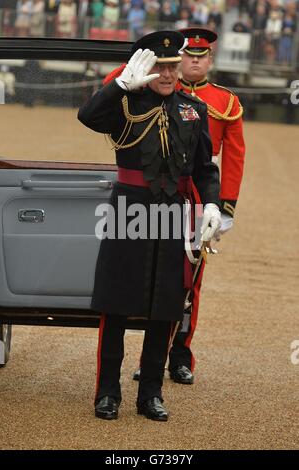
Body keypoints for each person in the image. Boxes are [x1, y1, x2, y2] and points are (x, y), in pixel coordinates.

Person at [78, 30, 221, 421]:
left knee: (165, 306)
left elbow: (205, 168)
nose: (168, 74)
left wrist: (212, 204)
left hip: (173, 213)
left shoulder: (194, 110)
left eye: (172, 67)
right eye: (160, 66)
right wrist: (119, 86)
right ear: (144, 67)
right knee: (116, 304)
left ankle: (151, 394)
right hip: (129, 211)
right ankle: (107, 393)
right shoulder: (124, 102)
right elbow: (87, 117)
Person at [133, 28, 245, 385]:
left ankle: (179, 355)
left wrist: (225, 207)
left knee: (189, 282)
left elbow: (233, 157)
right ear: (179, 59)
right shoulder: (162, 89)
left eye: (202, 55)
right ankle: (150, 356)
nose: (195, 60)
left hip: (200, 195)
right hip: (163, 187)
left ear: (210, 59)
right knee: (150, 273)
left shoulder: (224, 100)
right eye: (189, 54)